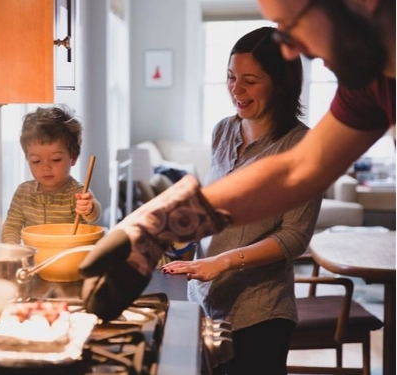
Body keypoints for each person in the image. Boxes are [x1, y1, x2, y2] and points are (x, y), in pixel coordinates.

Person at [78, 0, 394, 324]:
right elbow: (296, 170)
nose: (290, 51)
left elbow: (293, 204)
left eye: (290, 25)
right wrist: (157, 226)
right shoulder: (372, 82)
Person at [160, 27, 322, 375]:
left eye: (249, 80)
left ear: (280, 84)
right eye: (231, 77)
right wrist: (174, 232)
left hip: (260, 313)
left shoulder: (300, 146)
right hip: (204, 300)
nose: (236, 89)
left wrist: (223, 261)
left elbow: (294, 237)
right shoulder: (223, 130)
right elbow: (212, 208)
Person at [1, 106, 102, 244]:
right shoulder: (23, 192)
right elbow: (12, 227)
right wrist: (12, 251)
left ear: (73, 157)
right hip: (35, 260)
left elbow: (93, 216)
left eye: (56, 159)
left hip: (70, 258)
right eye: (36, 161)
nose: (45, 167)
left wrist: (89, 208)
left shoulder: (78, 192)